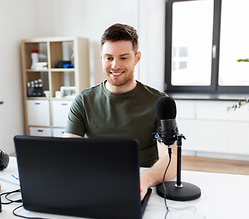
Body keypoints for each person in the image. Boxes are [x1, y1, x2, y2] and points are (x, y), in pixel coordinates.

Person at [63, 23, 177, 200]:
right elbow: (68, 153)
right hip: (94, 184)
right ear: (101, 58)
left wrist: (143, 181)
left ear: (136, 58)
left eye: (123, 58)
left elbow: (171, 160)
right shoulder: (83, 101)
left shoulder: (158, 101)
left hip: (144, 186)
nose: (115, 65)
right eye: (109, 58)